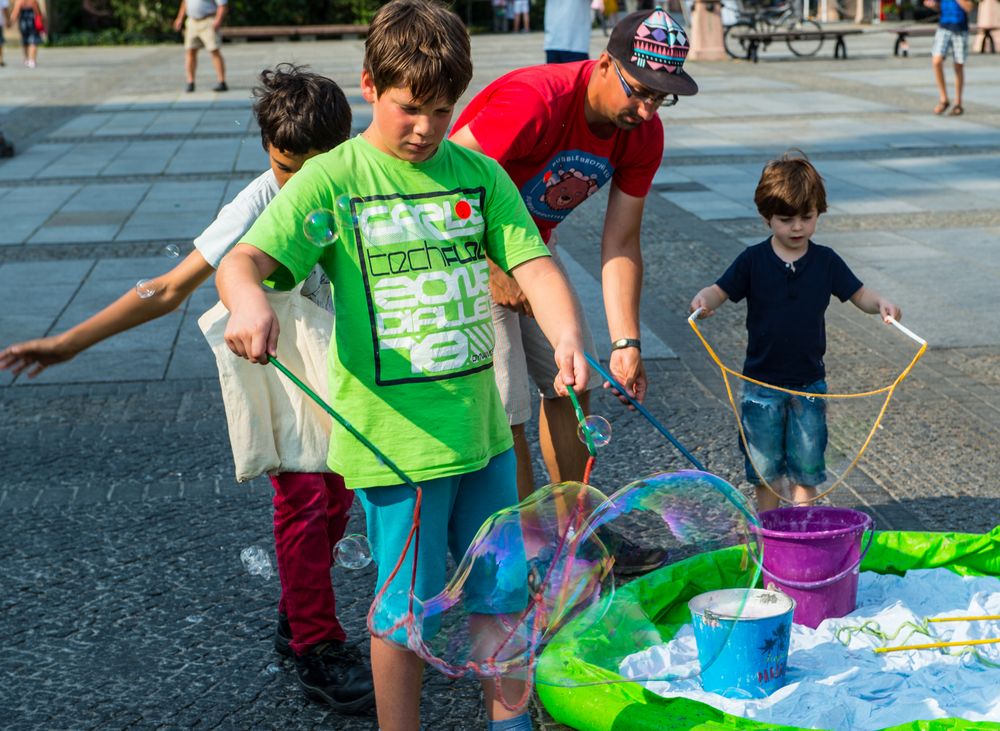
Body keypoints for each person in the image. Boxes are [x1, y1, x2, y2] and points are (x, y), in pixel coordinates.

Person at [214, 2, 589, 729]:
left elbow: (533, 263)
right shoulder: (332, 178)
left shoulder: (478, 175)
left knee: (504, 596)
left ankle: (511, 724)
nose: (424, 128)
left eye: (441, 112)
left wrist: (568, 332)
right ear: (368, 85)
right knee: (402, 615)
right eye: (408, 109)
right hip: (395, 450)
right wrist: (248, 302)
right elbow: (244, 260)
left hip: (480, 437)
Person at [0, 65, 375, 715]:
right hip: (275, 359)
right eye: (285, 166)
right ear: (267, 151)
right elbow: (167, 289)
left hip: (339, 361)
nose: (297, 184)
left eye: (312, 168)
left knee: (338, 496)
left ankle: (297, 612)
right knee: (305, 496)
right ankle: (316, 642)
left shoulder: (362, 183)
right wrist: (67, 345)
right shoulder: (260, 201)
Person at [449, 8, 697, 512]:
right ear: (606, 63)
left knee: (573, 377)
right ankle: (523, 547)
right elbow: (446, 177)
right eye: (639, 90)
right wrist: (493, 267)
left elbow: (622, 241)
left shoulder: (644, 135)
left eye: (660, 96)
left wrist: (627, 343)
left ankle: (576, 534)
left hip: (533, 246)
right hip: (464, 245)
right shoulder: (535, 100)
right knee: (506, 404)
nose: (647, 110)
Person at [689, 152, 902, 512]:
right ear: (766, 217)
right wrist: (705, 300)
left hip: (809, 385)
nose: (797, 227)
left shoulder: (826, 261)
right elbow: (720, 289)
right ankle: (769, 530)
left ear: (819, 212)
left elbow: (859, 294)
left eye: (807, 217)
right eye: (786, 220)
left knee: (807, 469)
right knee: (765, 467)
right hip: (761, 385)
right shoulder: (752, 260)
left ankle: (803, 531)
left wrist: (881, 302)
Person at [925, 0, 974, 116]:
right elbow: (939, 7)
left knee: (958, 65)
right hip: (943, 27)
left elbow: (970, 7)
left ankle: (958, 102)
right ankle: (944, 99)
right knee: (936, 61)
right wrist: (933, 5)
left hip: (960, 28)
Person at [172, 0, 228, 93]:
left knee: (214, 51)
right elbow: (185, 2)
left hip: (209, 20)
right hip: (192, 21)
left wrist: (218, 20)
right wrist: (180, 18)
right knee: (190, 51)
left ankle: (222, 82)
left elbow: (223, 5)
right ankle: (190, 82)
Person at [8, 0, 44, 68]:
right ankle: (32, 60)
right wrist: (41, 20)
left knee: (25, 40)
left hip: (23, 22)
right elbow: (38, 12)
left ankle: (26, 59)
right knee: (34, 40)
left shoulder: (19, 1)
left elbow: (16, 12)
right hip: (32, 21)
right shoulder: (33, 1)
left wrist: (10, 22)